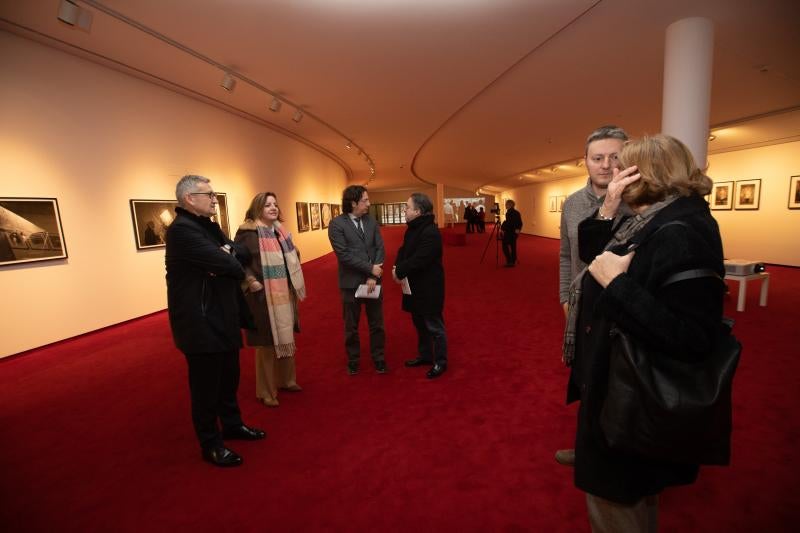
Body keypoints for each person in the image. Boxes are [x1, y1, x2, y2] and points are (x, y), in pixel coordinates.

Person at [563, 134, 724, 531]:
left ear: (646, 175)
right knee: (633, 494)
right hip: (622, 386)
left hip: (635, 396)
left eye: (622, 166)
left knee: (616, 498)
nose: (613, 174)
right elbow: (592, 253)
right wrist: (609, 208)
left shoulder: (680, 230)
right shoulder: (658, 217)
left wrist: (616, 285)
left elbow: (692, 338)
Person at [165, 175, 265, 468]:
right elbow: (230, 264)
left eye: (213, 194)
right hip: (200, 321)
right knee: (206, 387)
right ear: (189, 200)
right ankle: (210, 443)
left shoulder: (207, 226)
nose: (213, 199)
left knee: (228, 378)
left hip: (223, 315)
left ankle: (233, 425)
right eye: (207, 194)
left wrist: (226, 253)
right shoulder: (182, 230)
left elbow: (241, 254)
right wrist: (226, 256)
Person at [556, 125, 629, 467]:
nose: (605, 165)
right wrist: (564, 298)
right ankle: (588, 445)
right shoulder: (572, 205)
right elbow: (567, 255)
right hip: (582, 308)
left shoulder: (637, 202)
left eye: (614, 157)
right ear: (584, 161)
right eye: (597, 158)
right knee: (587, 378)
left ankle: (619, 454)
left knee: (621, 385)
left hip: (625, 309)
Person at [234, 192, 306, 408]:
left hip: (284, 293)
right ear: (257, 208)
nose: (273, 208)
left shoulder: (280, 232)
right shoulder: (248, 233)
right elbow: (237, 260)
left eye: (275, 204)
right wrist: (250, 280)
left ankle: (287, 380)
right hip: (261, 295)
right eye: (267, 205)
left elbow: (293, 256)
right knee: (266, 342)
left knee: (285, 336)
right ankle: (266, 391)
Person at [327, 185, 387, 375]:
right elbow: (344, 255)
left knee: (377, 324)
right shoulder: (337, 224)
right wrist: (370, 268)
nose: (369, 203)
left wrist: (372, 276)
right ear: (353, 203)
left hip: (372, 282)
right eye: (365, 200)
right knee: (351, 326)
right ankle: (353, 360)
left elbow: (380, 248)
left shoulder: (371, 221)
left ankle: (379, 358)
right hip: (350, 284)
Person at [394, 193, 448, 379]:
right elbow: (404, 251)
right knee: (419, 323)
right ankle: (425, 356)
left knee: (434, 326)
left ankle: (441, 362)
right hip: (415, 285)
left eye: (407, 207)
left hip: (429, 287)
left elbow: (420, 259)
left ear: (417, 211)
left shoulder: (430, 232)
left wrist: (399, 270)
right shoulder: (413, 228)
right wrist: (397, 266)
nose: (404, 210)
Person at [500, 199, 522, 267]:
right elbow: (520, 222)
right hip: (514, 233)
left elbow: (509, 223)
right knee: (513, 246)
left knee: (504, 245)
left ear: (510, 205)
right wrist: (518, 230)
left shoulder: (509, 213)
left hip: (509, 232)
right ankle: (513, 260)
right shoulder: (517, 212)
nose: (505, 205)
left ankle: (509, 261)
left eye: (506, 204)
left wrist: (503, 227)